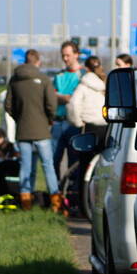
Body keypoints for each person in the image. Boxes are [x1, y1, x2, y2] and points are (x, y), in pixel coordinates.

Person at [4, 49, 60, 212]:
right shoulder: (44, 79)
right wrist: (49, 119)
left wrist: (19, 118)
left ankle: (26, 202)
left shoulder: (14, 80)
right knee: (48, 165)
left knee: (26, 167)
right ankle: (55, 202)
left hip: (23, 131)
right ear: (38, 61)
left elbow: (8, 105)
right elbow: (52, 104)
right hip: (42, 130)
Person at [67, 55, 108, 169]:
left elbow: (73, 104)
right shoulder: (104, 85)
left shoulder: (83, 86)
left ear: (86, 68)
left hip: (89, 128)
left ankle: (82, 185)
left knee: (85, 162)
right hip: (105, 127)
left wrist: (78, 122)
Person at [52, 41, 83, 178]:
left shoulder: (83, 75)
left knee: (74, 161)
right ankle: (55, 192)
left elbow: (76, 98)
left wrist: (62, 96)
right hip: (57, 122)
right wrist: (64, 97)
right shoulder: (59, 76)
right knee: (53, 159)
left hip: (73, 123)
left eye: (68, 55)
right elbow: (51, 95)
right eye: (63, 56)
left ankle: (71, 192)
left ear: (76, 55)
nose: (65, 59)